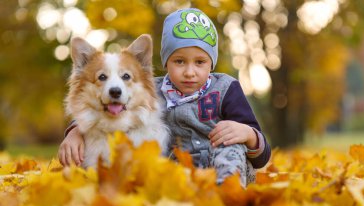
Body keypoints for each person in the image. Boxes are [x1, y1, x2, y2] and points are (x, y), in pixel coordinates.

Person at [59, 8, 271, 187]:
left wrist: (248, 134)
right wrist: (75, 132)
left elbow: (262, 156)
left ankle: (228, 194)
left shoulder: (226, 88)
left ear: (211, 63)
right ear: (165, 63)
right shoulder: (153, 90)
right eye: (179, 61)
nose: (189, 72)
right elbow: (94, 112)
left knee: (231, 142)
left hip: (222, 166)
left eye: (200, 62)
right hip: (178, 173)